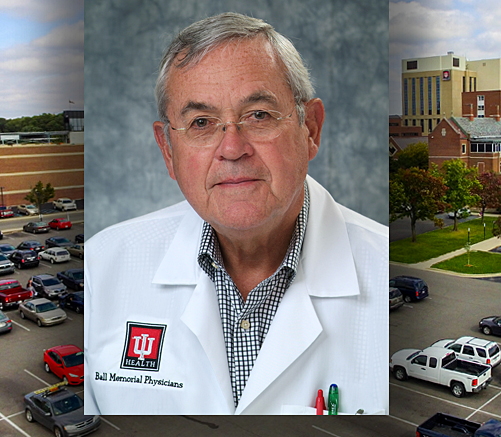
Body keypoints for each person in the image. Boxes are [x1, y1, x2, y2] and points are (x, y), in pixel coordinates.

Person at [84, 12, 388, 415]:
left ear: (310, 129)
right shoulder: (100, 268)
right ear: (167, 151)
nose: (232, 147)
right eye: (202, 123)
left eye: (258, 115)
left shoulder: (389, 274)